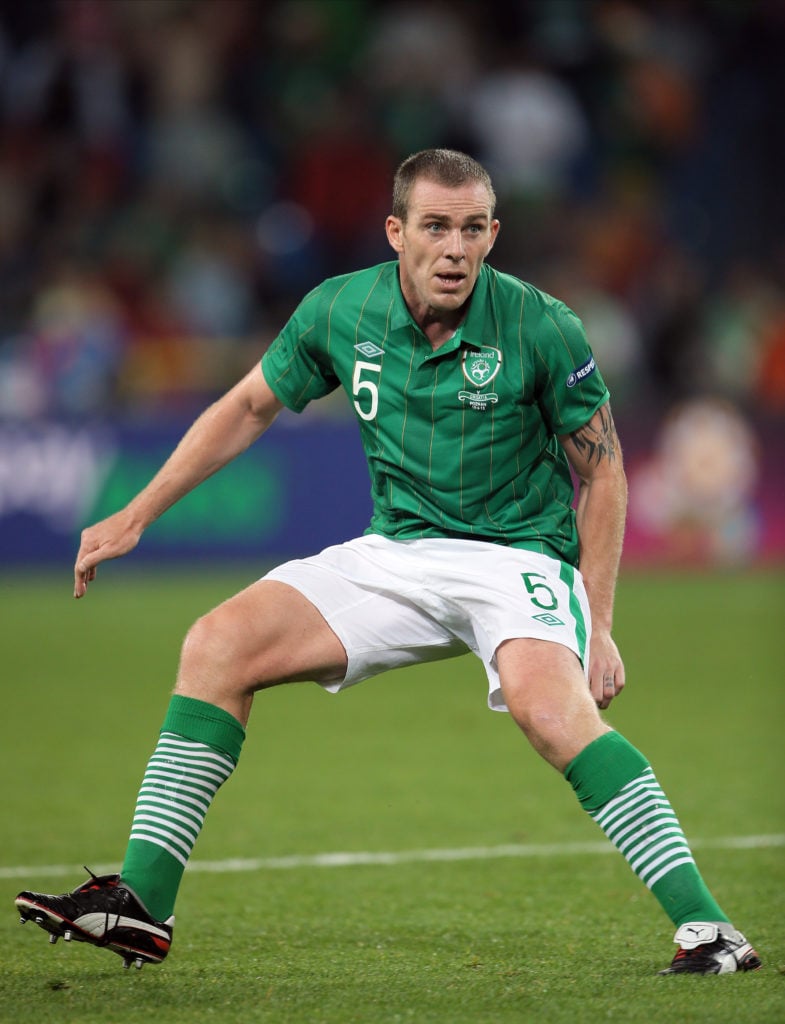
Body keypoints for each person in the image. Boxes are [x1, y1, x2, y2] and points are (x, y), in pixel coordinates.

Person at [15, 149, 759, 977]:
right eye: (435, 227)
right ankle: (144, 907)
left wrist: (599, 624)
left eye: (472, 229)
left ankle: (710, 931)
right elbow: (251, 404)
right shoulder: (340, 309)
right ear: (396, 232)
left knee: (551, 716)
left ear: (492, 234)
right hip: (396, 551)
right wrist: (136, 512)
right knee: (216, 644)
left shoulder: (541, 325)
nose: (454, 248)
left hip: (515, 558)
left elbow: (605, 469)